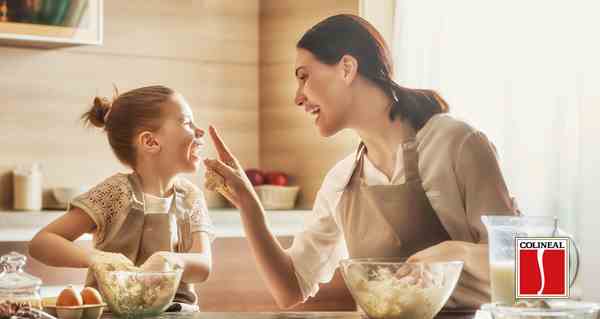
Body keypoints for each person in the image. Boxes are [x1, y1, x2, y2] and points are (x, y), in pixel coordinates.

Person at [203, 14, 519, 309]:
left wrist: (453, 254)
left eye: (304, 77)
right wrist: (249, 206)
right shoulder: (341, 180)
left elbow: (527, 271)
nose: (297, 96)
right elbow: (290, 288)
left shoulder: (456, 143)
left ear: (346, 68)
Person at [29, 85, 214, 309]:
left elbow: (204, 265)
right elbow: (42, 243)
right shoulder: (114, 193)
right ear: (150, 142)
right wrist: (96, 259)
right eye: (186, 122)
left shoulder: (192, 197)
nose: (199, 131)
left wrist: (172, 260)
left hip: (177, 313)